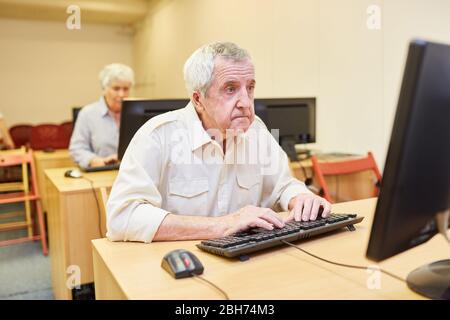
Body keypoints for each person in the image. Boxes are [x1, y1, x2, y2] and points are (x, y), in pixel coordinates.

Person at [106, 42, 331, 243]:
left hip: (245, 262)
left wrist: (299, 197)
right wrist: (223, 225)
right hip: (184, 270)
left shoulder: (256, 130)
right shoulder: (157, 136)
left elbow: (282, 185)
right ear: (198, 100)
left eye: (250, 87)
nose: (245, 102)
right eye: (230, 89)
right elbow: (123, 217)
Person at [69, 63, 134, 168]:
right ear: (104, 89)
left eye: (125, 89)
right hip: (101, 173)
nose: (121, 94)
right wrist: (94, 160)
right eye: (116, 88)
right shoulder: (87, 114)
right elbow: (77, 149)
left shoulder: (136, 113)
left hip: (132, 173)